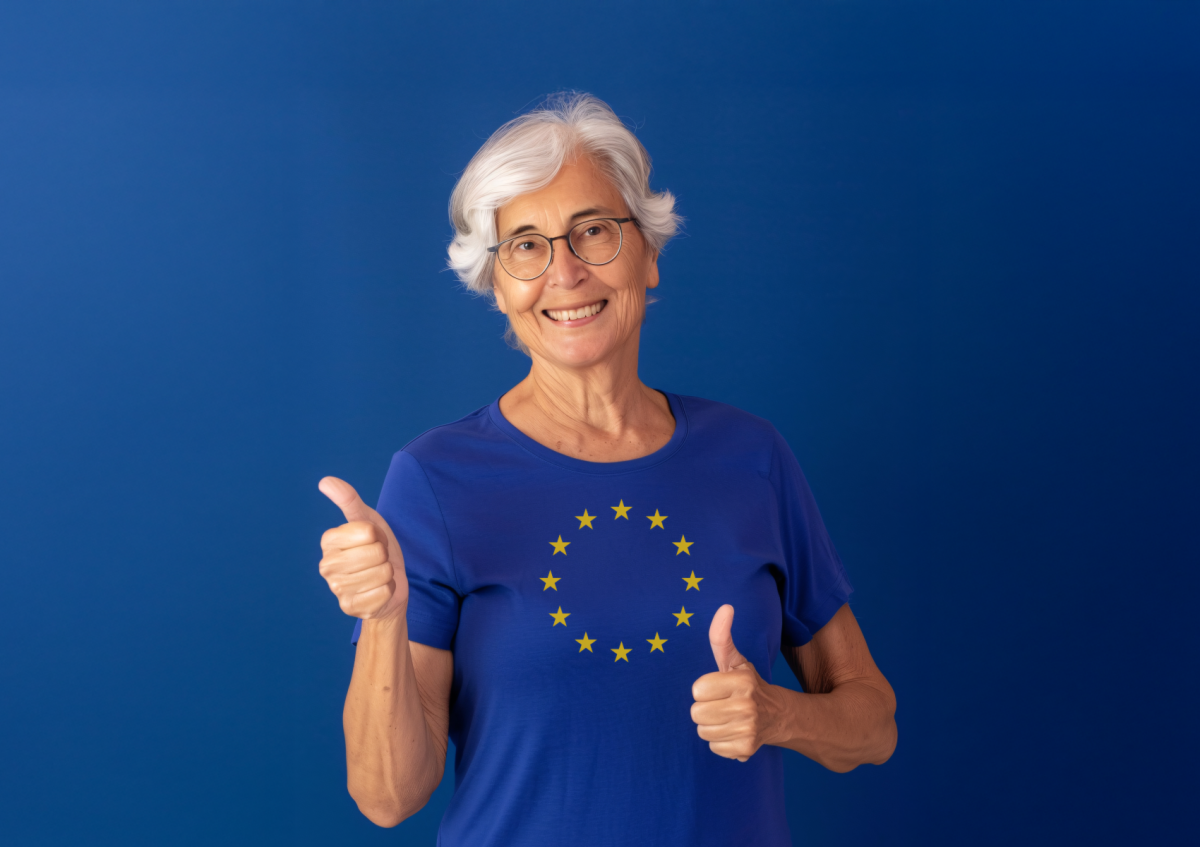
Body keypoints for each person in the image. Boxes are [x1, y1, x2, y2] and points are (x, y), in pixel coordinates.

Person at [316, 93, 896, 846]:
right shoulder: (434, 481)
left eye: (592, 231)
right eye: (524, 245)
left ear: (648, 253)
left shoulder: (752, 457)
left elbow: (872, 724)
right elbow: (389, 796)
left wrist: (780, 715)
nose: (563, 272)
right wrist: (385, 618)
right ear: (496, 285)